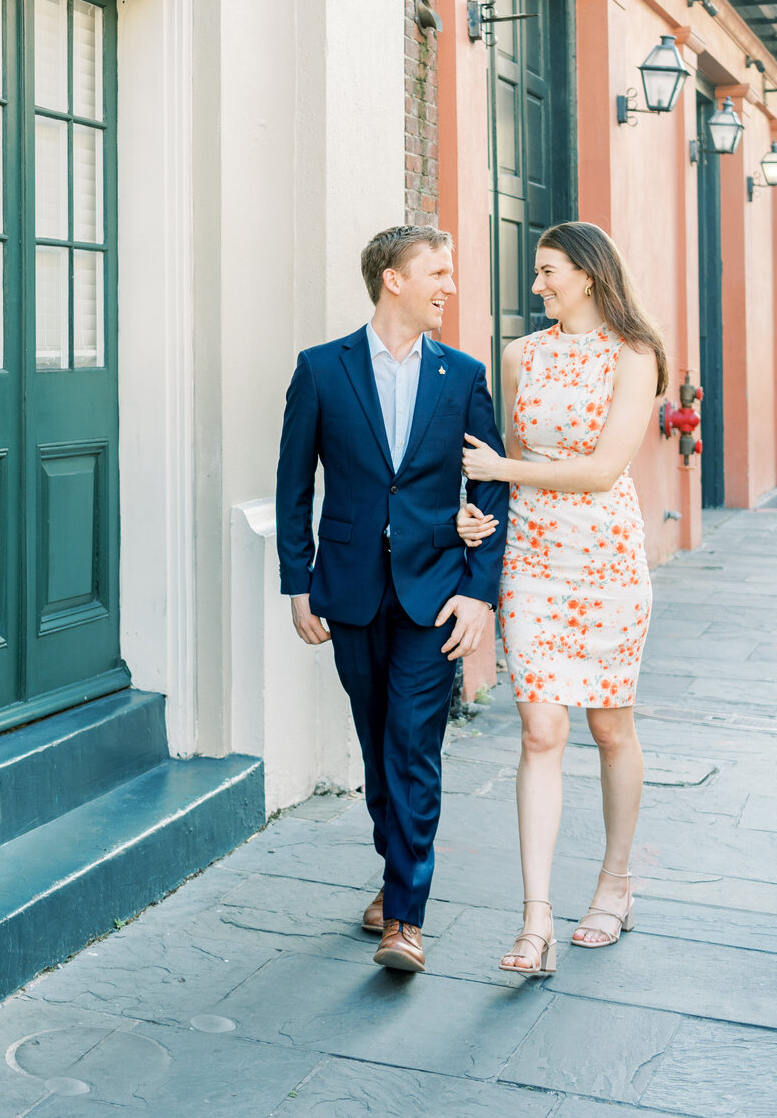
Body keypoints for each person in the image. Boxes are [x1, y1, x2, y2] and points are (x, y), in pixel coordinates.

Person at [276, 225, 509, 973]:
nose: (449, 286)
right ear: (392, 280)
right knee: (378, 742)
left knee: (414, 745)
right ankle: (394, 868)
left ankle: (405, 916)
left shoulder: (463, 375)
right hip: (347, 591)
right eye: (436, 272)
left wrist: (479, 596)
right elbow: (293, 488)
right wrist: (296, 582)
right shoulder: (321, 370)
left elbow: (492, 491)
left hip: (435, 594)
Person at [459, 221, 664, 976]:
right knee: (541, 731)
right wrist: (479, 506)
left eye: (549, 271)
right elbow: (501, 459)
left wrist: (502, 473)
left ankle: (615, 885)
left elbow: (605, 469)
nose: (538, 284)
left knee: (611, 729)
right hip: (532, 558)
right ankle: (535, 921)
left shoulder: (634, 354)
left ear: (587, 273)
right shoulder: (521, 354)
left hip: (606, 558)